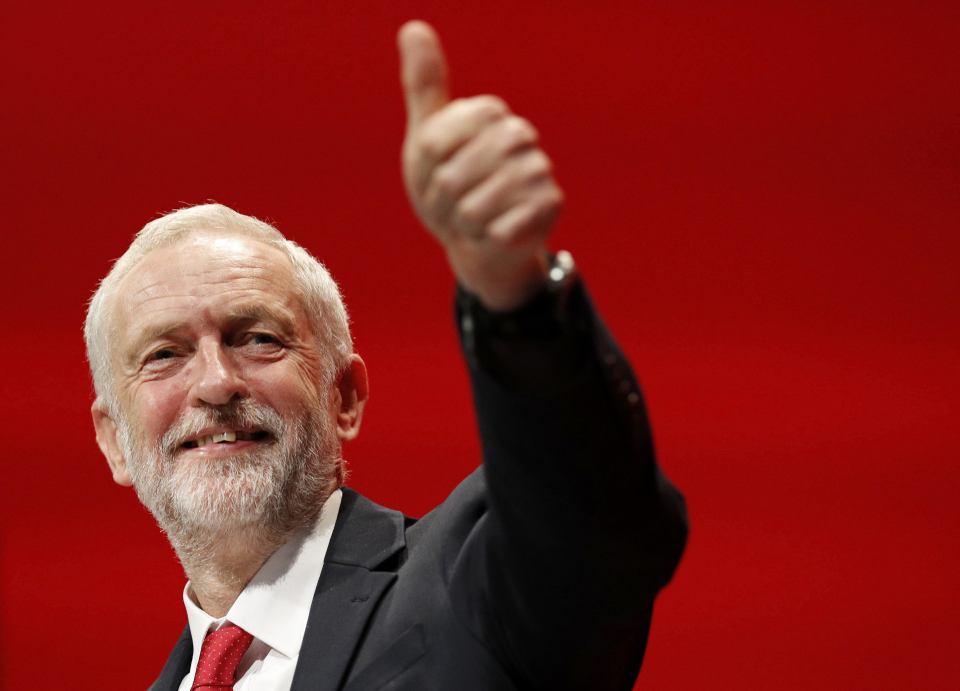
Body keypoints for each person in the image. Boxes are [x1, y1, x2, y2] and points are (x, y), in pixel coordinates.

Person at [86, 20, 687, 691]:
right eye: (166, 354)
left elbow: (592, 518)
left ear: (344, 397)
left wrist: (513, 294)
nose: (217, 381)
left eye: (258, 338)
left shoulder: (469, 588)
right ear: (113, 440)